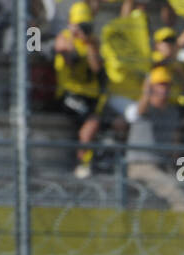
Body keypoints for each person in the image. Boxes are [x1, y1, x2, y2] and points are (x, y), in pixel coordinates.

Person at [124, 65, 184, 211]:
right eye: (160, 85)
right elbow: (139, 110)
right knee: (175, 192)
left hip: (165, 166)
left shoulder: (173, 112)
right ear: (150, 87)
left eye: (167, 85)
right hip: (140, 166)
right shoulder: (140, 109)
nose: (164, 89)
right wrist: (146, 91)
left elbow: (176, 150)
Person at [54, 2, 105, 179]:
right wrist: (75, 40)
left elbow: (96, 68)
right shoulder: (64, 37)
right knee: (91, 121)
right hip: (68, 94)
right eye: (79, 24)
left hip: (89, 95)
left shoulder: (93, 42)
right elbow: (69, 59)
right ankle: (82, 162)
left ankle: (90, 160)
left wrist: (89, 44)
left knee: (99, 119)